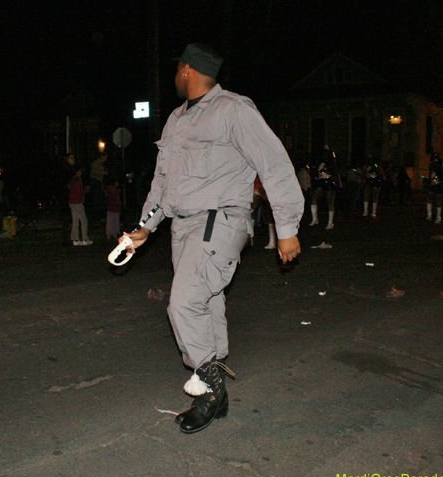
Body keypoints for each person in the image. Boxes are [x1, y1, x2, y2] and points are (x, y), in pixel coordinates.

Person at [119, 43, 304, 434]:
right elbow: (162, 183)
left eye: (177, 69)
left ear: (187, 70)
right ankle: (216, 389)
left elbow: (273, 164)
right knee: (207, 303)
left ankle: (208, 392)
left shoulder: (234, 110)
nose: (175, 75)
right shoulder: (175, 120)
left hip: (219, 220)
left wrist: (286, 229)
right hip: (183, 226)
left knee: (183, 304)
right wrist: (145, 227)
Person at [310, 146, 339, 229]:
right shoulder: (319, 163)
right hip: (321, 181)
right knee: (314, 199)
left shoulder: (332, 163)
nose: (324, 156)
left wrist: (328, 171)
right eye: (323, 154)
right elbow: (315, 173)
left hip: (329, 181)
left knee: (330, 202)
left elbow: (335, 172)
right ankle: (314, 219)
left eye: (326, 154)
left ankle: (330, 223)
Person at [68, 166, 93, 246]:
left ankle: (75, 239)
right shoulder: (77, 181)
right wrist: (86, 190)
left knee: (75, 221)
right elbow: (79, 193)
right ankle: (84, 238)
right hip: (77, 203)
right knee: (84, 221)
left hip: (72, 202)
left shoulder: (72, 181)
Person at [425, 153, 443, 224]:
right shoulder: (431, 166)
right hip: (432, 184)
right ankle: (429, 215)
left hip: (438, 184)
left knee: (438, 201)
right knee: (429, 198)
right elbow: (430, 174)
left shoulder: (441, 166)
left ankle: (438, 217)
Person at [104, 175, 121, 241]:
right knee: (115, 221)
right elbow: (116, 199)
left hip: (110, 208)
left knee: (110, 221)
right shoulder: (114, 190)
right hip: (114, 208)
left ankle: (110, 234)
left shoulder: (108, 189)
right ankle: (114, 233)